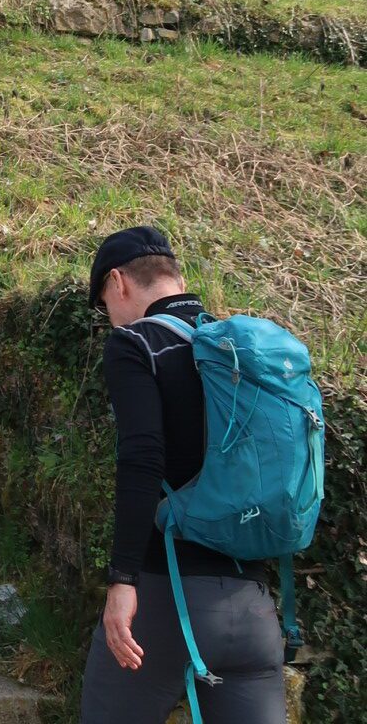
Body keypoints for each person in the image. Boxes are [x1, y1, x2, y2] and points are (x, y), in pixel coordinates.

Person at [79, 227, 287, 724]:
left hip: (167, 597)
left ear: (117, 282)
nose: (110, 318)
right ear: (178, 278)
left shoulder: (136, 343)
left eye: (104, 304)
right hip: (254, 605)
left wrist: (122, 579)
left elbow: (142, 457)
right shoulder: (240, 351)